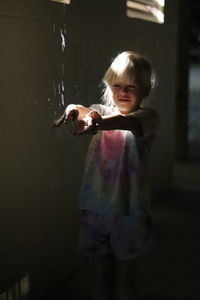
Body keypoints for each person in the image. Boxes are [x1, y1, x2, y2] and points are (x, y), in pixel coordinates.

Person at [54, 51, 160, 300]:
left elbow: (125, 123)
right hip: (95, 210)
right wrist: (74, 110)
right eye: (117, 86)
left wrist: (96, 122)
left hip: (129, 213)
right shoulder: (99, 110)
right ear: (109, 87)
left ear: (145, 91)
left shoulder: (148, 118)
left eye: (131, 87)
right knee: (99, 282)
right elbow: (83, 110)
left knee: (126, 283)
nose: (123, 92)